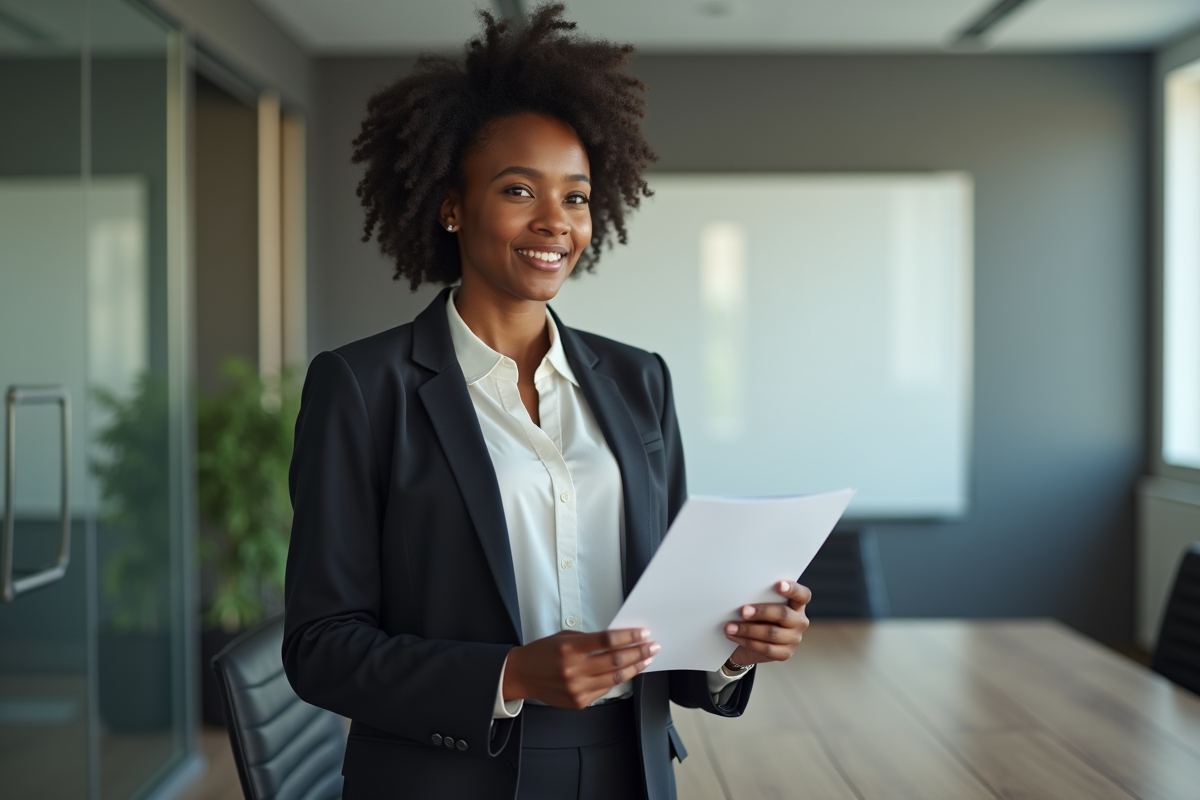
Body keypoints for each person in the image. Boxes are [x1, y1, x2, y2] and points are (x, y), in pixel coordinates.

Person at [282, 6, 812, 799]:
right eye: (519, 190)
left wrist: (733, 646)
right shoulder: (363, 387)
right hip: (446, 776)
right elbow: (321, 646)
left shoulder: (641, 382)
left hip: (628, 768)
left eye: (576, 197)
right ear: (451, 204)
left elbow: (668, 614)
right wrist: (509, 672)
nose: (554, 224)